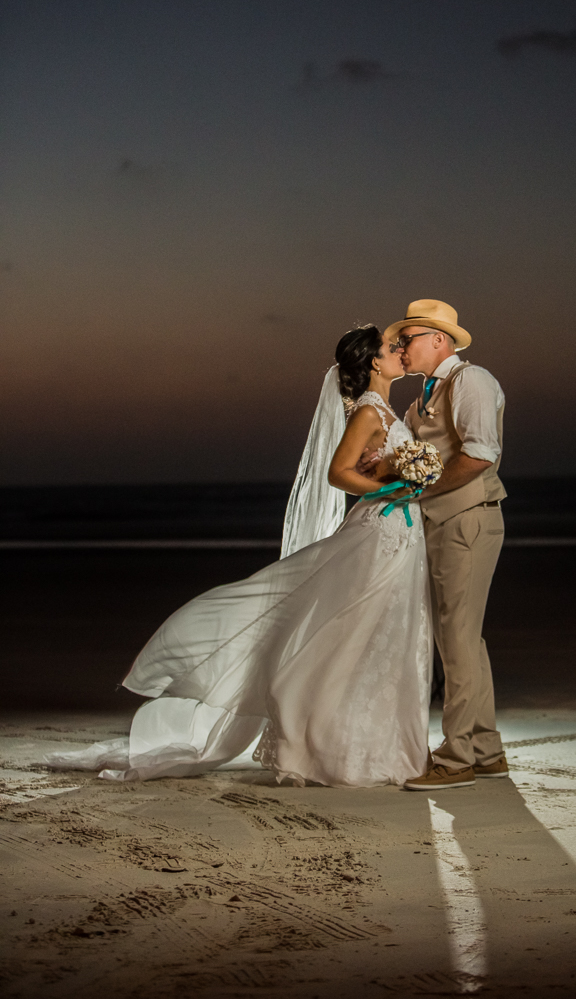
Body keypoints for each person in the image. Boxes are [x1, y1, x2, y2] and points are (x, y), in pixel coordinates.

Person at [45, 326, 432, 788]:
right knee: (348, 632)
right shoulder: (369, 411)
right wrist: (391, 487)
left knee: (384, 633)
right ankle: (316, 738)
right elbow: (337, 474)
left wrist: (409, 478)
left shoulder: (387, 409)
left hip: (402, 535)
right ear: (373, 362)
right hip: (381, 533)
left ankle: (374, 740)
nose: (400, 354)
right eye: (393, 349)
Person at [384, 300, 508, 791]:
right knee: (463, 639)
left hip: (467, 522)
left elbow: (480, 454)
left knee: (456, 639)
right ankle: (485, 748)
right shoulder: (422, 400)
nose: (400, 348)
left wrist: (423, 490)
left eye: (407, 339)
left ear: (439, 340)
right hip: (443, 524)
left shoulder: (471, 381)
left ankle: (456, 759)